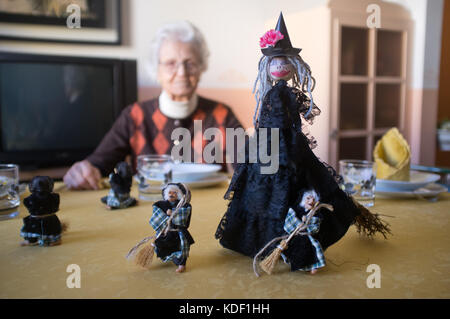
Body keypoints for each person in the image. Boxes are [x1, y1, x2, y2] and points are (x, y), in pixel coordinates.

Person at [215, 13, 390, 263]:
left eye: (283, 62)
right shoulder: (268, 94)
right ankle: (258, 240)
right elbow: (263, 121)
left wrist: (292, 144)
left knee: (295, 184)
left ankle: (291, 242)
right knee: (259, 190)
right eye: (274, 63)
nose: (279, 67)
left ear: (293, 65)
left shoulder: (287, 94)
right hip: (267, 146)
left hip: (286, 145)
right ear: (267, 67)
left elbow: (294, 121)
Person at [64, 21, 243, 190]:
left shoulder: (221, 114)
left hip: (210, 210)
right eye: (171, 63)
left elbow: (248, 160)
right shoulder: (134, 115)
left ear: (201, 67)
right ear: (156, 70)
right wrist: (83, 171)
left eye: (190, 63)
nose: (182, 72)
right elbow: (98, 164)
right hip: (151, 207)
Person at [149, 183, 194, 273]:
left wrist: (173, 213)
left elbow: (184, 215)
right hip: (167, 231)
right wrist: (166, 210)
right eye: (169, 192)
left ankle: (182, 264)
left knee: (182, 246)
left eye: (174, 193)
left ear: (179, 195)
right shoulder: (162, 204)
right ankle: (171, 257)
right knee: (161, 243)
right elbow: (156, 207)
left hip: (178, 231)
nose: (171, 194)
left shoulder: (184, 205)